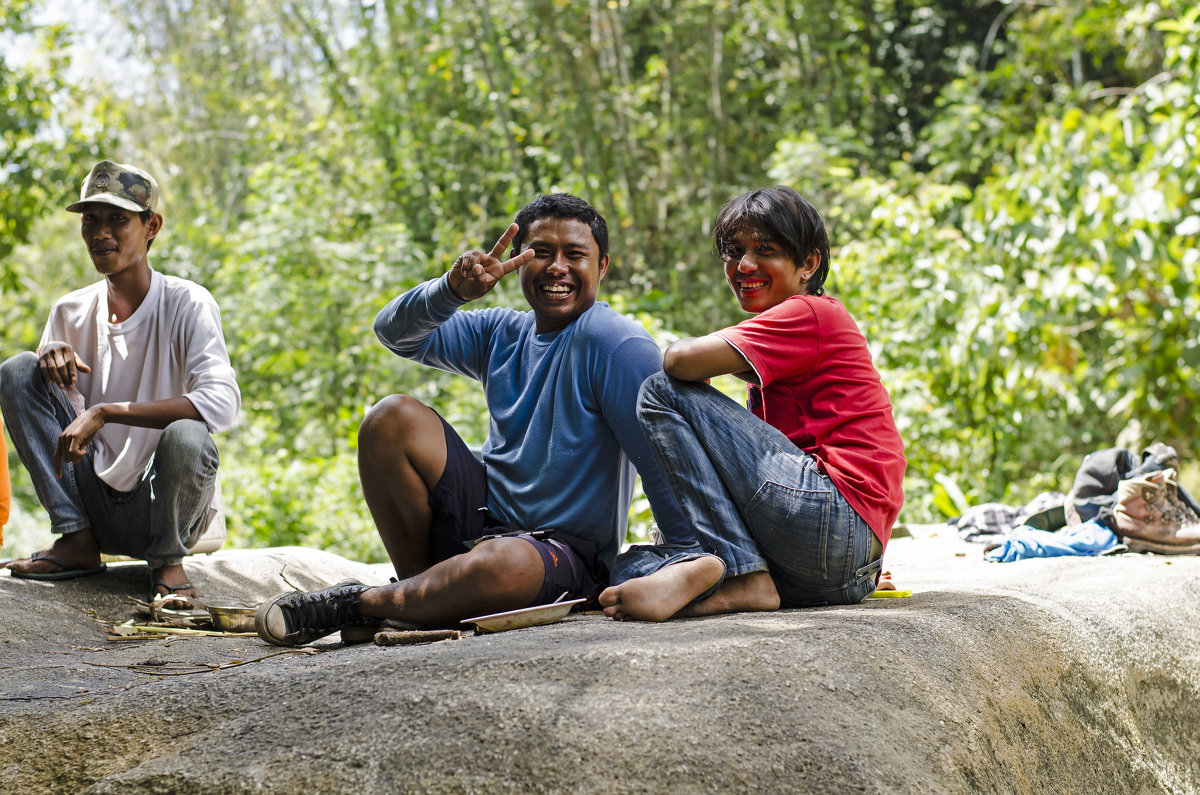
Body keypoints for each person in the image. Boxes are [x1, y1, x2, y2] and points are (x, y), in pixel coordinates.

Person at [256, 193, 690, 645]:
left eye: (575, 255)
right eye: (540, 253)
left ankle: (361, 603)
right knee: (389, 418)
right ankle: (422, 594)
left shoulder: (617, 344)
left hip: (560, 553)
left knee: (503, 564)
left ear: (602, 267)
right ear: (519, 264)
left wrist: (686, 563)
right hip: (482, 518)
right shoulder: (501, 331)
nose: (557, 267)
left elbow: (661, 461)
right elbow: (393, 333)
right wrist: (450, 291)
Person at [599, 186, 906, 621]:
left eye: (766, 250)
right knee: (625, 567)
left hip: (834, 522)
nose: (743, 266)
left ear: (809, 264)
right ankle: (733, 573)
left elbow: (679, 360)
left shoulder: (811, 312)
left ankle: (744, 580)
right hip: (840, 565)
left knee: (661, 391)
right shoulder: (778, 354)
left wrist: (694, 374)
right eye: (733, 252)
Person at [1, 160, 240, 605]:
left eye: (118, 219)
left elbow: (221, 405)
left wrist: (106, 411)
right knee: (16, 370)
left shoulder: (188, 302)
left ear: (152, 226)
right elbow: (65, 431)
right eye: (90, 220)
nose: (100, 232)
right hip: (93, 502)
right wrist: (49, 370)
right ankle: (75, 540)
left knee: (189, 434)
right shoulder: (68, 312)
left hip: (161, 509)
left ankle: (168, 562)